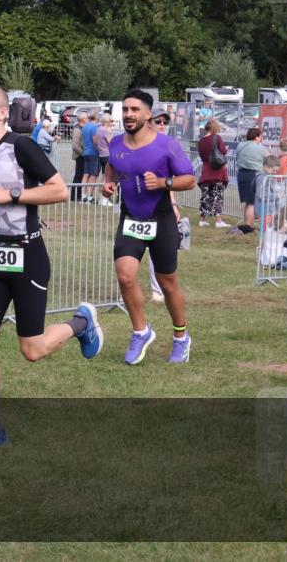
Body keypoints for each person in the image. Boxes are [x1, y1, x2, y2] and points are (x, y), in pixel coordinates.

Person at [0, 85, 103, 450]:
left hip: (27, 255)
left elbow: (59, 190)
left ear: (2, 112)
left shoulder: (23, 147)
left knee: (31, 350)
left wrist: (12, 195)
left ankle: (82, 323)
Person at [101, 88, 195, 365]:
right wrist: (108, 183)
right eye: (125, 109)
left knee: (167, 283)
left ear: (147, 114)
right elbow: (111, 167)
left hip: (161, 219)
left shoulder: (166, 145)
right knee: (126, 276)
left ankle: (181, 337)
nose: (128, 114)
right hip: (131, 219)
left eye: (134, 110)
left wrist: (164, 183)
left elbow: (189, 179)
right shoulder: (116, 143)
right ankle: (141, 331)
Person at [145, 111, 181, 303]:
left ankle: (157, 290)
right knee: (129, 255)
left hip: (160, 208)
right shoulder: (134, 143)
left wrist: (173, 204)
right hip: (136, 208)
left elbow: (171, 181)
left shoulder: (168, 146)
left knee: (157, 251)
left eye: (164, 122)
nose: (161, 124)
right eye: (157, 121)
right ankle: (124, 291)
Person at [233, 128, 268, 234]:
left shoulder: (240, 145)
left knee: (246, 201)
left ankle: (246, 223)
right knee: (252, 202)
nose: (261, 139)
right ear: (257, 137)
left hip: (241, 174)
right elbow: (269, 158)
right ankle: (249, 225)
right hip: (254, 174)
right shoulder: (260, 148)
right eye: (260, 137)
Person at [197, 119, 230, 228]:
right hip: (217, 172)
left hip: (206, 171)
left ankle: (202, 219)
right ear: (214, 128)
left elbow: (202, 156)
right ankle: (218, 220)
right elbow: (224, 152)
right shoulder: (217, 138)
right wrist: (225, 149)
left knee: (205, 196)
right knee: (217, 196)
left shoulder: (201, 141)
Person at [81, 110, 100, 203]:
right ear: (96, 117)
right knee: (93, 175)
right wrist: (99, 149)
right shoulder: (94, 127)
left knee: (86, 174)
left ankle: (83, 195)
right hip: (93, 152)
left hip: (86, 152)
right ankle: (90, 197)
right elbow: (95, 140)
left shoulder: (85, 126)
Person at [95, 114, 114, 206]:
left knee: (103, 177)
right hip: (107, 155)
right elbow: (111, 142)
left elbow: (95, 142)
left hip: (101, 155)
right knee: (108, 178)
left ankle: (101, 199)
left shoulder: (98, 129)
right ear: (107, 121)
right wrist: (111, 133)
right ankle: (104, 199)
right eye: (111, 121)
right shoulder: (105, 130)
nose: (112, 123)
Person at [70, 111, 87, 201]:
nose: (88, 119)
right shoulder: (77, 129)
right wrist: (83, 154)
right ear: (83, 119)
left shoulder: (81, 128)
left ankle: (78, 195)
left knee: (80, 176)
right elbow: (75, 145)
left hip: (81, 155)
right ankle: (74, 196)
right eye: (87, 118)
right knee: (78, 176)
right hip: (79, 156)